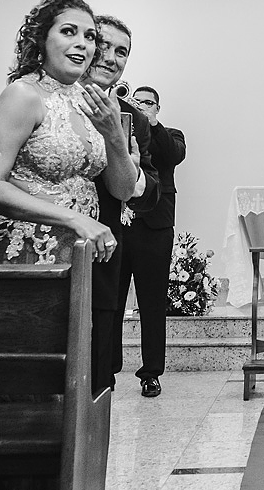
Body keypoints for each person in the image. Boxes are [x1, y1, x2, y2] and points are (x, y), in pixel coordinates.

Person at [0, 0, 126, 267]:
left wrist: (115, 137)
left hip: (73, 254)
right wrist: (74, 218)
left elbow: (123, 191)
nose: (82, 44)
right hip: (18, 250)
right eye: (68, 32)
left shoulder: (89, 101)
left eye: (90, 37)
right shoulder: (23, 95)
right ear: (42, 39)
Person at [87, 15, 160, 395]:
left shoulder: (134, 119)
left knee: (95, 380)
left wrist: (131, 169)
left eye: (122, 52)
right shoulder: (43, 98)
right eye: (103, 45)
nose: (111, 58)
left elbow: (147, 190)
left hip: (103, 249)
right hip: (47, 244)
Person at [118, 85, 186, 398]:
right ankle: (106, 370)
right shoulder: (120, 131)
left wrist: (150, 123)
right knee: (112, 301)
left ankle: (151, 373)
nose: (143, 106)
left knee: (152, 303)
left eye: (149, 103)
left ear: (158, 107)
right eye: (138, 101)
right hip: (118, 225)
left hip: (155, 226)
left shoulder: (170, 134)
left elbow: (172, 156)